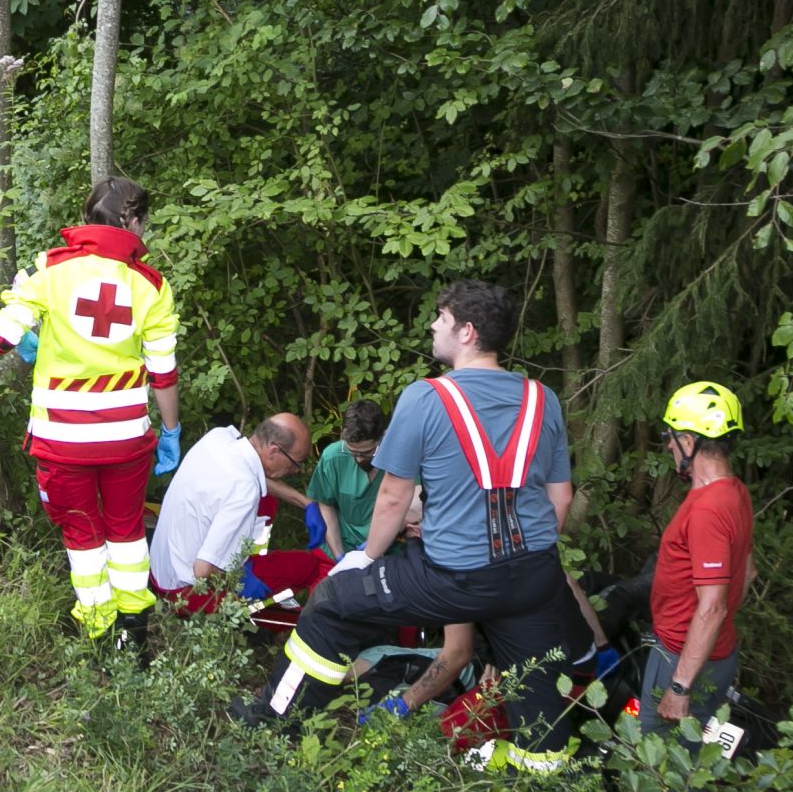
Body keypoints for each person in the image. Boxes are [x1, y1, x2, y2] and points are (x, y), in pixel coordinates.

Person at [232, 280, 580, 749]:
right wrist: (521, 564)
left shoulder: (427, 397)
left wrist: (366, 557)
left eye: (442, 317)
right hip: (535, 575)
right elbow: (560, 497)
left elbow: (395, 497)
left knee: (332, 602)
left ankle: (275, 724)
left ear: (467, 332)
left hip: (454, 574)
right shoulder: (544, 399)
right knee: (537, 690)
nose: (434, 325)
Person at [0, 177, 181, 656]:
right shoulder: (152, 286)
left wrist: (32, 337)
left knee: (82, 535)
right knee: (127, 530)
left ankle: (98, 630)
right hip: (126, 442)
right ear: (132, 222)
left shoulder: (50, 270)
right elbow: (164, 375)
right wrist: (172, 431)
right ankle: (134, 637)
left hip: (62, 441)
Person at [641, 380, 754, 728]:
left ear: (689, 441)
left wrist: (679, 685)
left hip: (681, 657)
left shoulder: (708, 510)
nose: (669, 448)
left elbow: (713, 605)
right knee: (687, 757)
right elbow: (748, 572)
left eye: (669, 439)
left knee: (658, 762)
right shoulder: (735, 491)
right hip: (710, 650)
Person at [148, 416, 329, 614]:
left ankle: (250, 561)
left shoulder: (219, 438)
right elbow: (202, 570)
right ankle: (276, 618)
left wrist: (305, 502)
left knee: (267, 499)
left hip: (161, 568)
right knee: (308, 566)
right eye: (295, 463)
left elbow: (254, 475)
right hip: (185, 590)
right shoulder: (244, 490)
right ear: (273, 451)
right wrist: (243, 583)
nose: (295, 471)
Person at [306, 399, 385, 561]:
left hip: (389, 547)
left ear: (381, 438)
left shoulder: (399, 457)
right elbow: (326, 505)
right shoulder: (333, 457)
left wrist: (377, 544)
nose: (358, 460)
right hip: (342, 544)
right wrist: (339, 556)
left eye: (366, 452)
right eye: (352, 452)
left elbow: (411, 505)